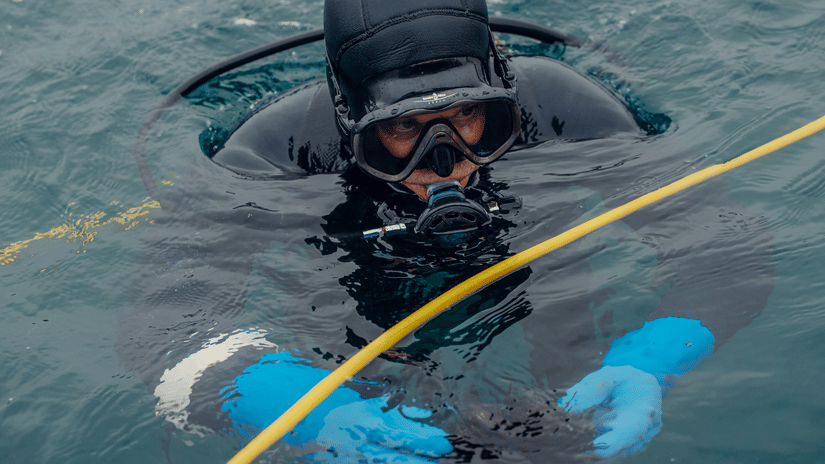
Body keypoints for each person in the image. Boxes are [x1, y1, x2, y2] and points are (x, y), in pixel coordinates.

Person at [120, 0, 774, 462]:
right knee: (351, 414)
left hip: (532, 263)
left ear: (502, 91)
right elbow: (164, 322)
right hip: (347, 267)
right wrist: (274, 397)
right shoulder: (275, 151)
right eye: (403, 131)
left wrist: (652, 359)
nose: (445, 160)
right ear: (350, 118)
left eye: (469, 120)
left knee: (570, 426)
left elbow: (723, 249)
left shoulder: (561, 105)